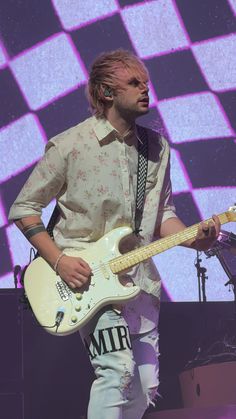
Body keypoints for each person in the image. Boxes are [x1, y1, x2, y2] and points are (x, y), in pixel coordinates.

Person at [8, 49, 220, 419]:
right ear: (106, 93)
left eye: (146, 83)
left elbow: (160, 216)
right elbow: (24, 209)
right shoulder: (70, 145)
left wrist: (192, 238)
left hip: (136, 281)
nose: (145, 90)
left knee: (144, 388)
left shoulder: (156, 149)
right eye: (134, 83)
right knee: (117, 370)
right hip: (83, 280)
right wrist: (59, 260)